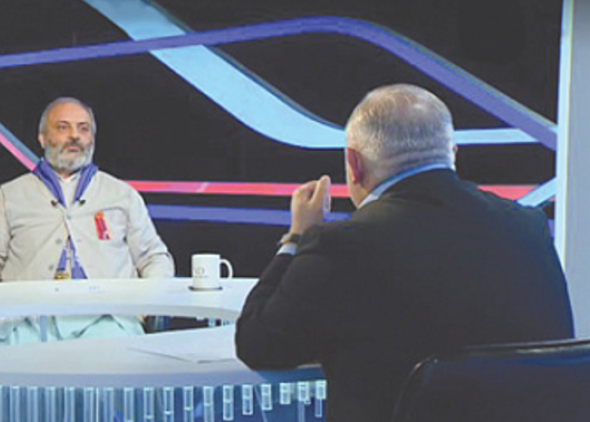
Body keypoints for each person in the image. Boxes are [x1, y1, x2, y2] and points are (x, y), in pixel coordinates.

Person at [235, 84, 574, 422]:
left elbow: (258, 344)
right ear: (452, 154)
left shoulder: (342, 244)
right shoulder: (528, 226)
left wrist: (297, 235)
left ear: (354, 163)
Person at [0, 97, 174, 344]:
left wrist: (145, 305)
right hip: (27, 321)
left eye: (83, 129)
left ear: (92, 139)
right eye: (63, 127)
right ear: (43, 138)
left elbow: (154, 258)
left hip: (107, 319)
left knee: (115, 353)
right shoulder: (9, 196)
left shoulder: (121, 195)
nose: (74, 136)